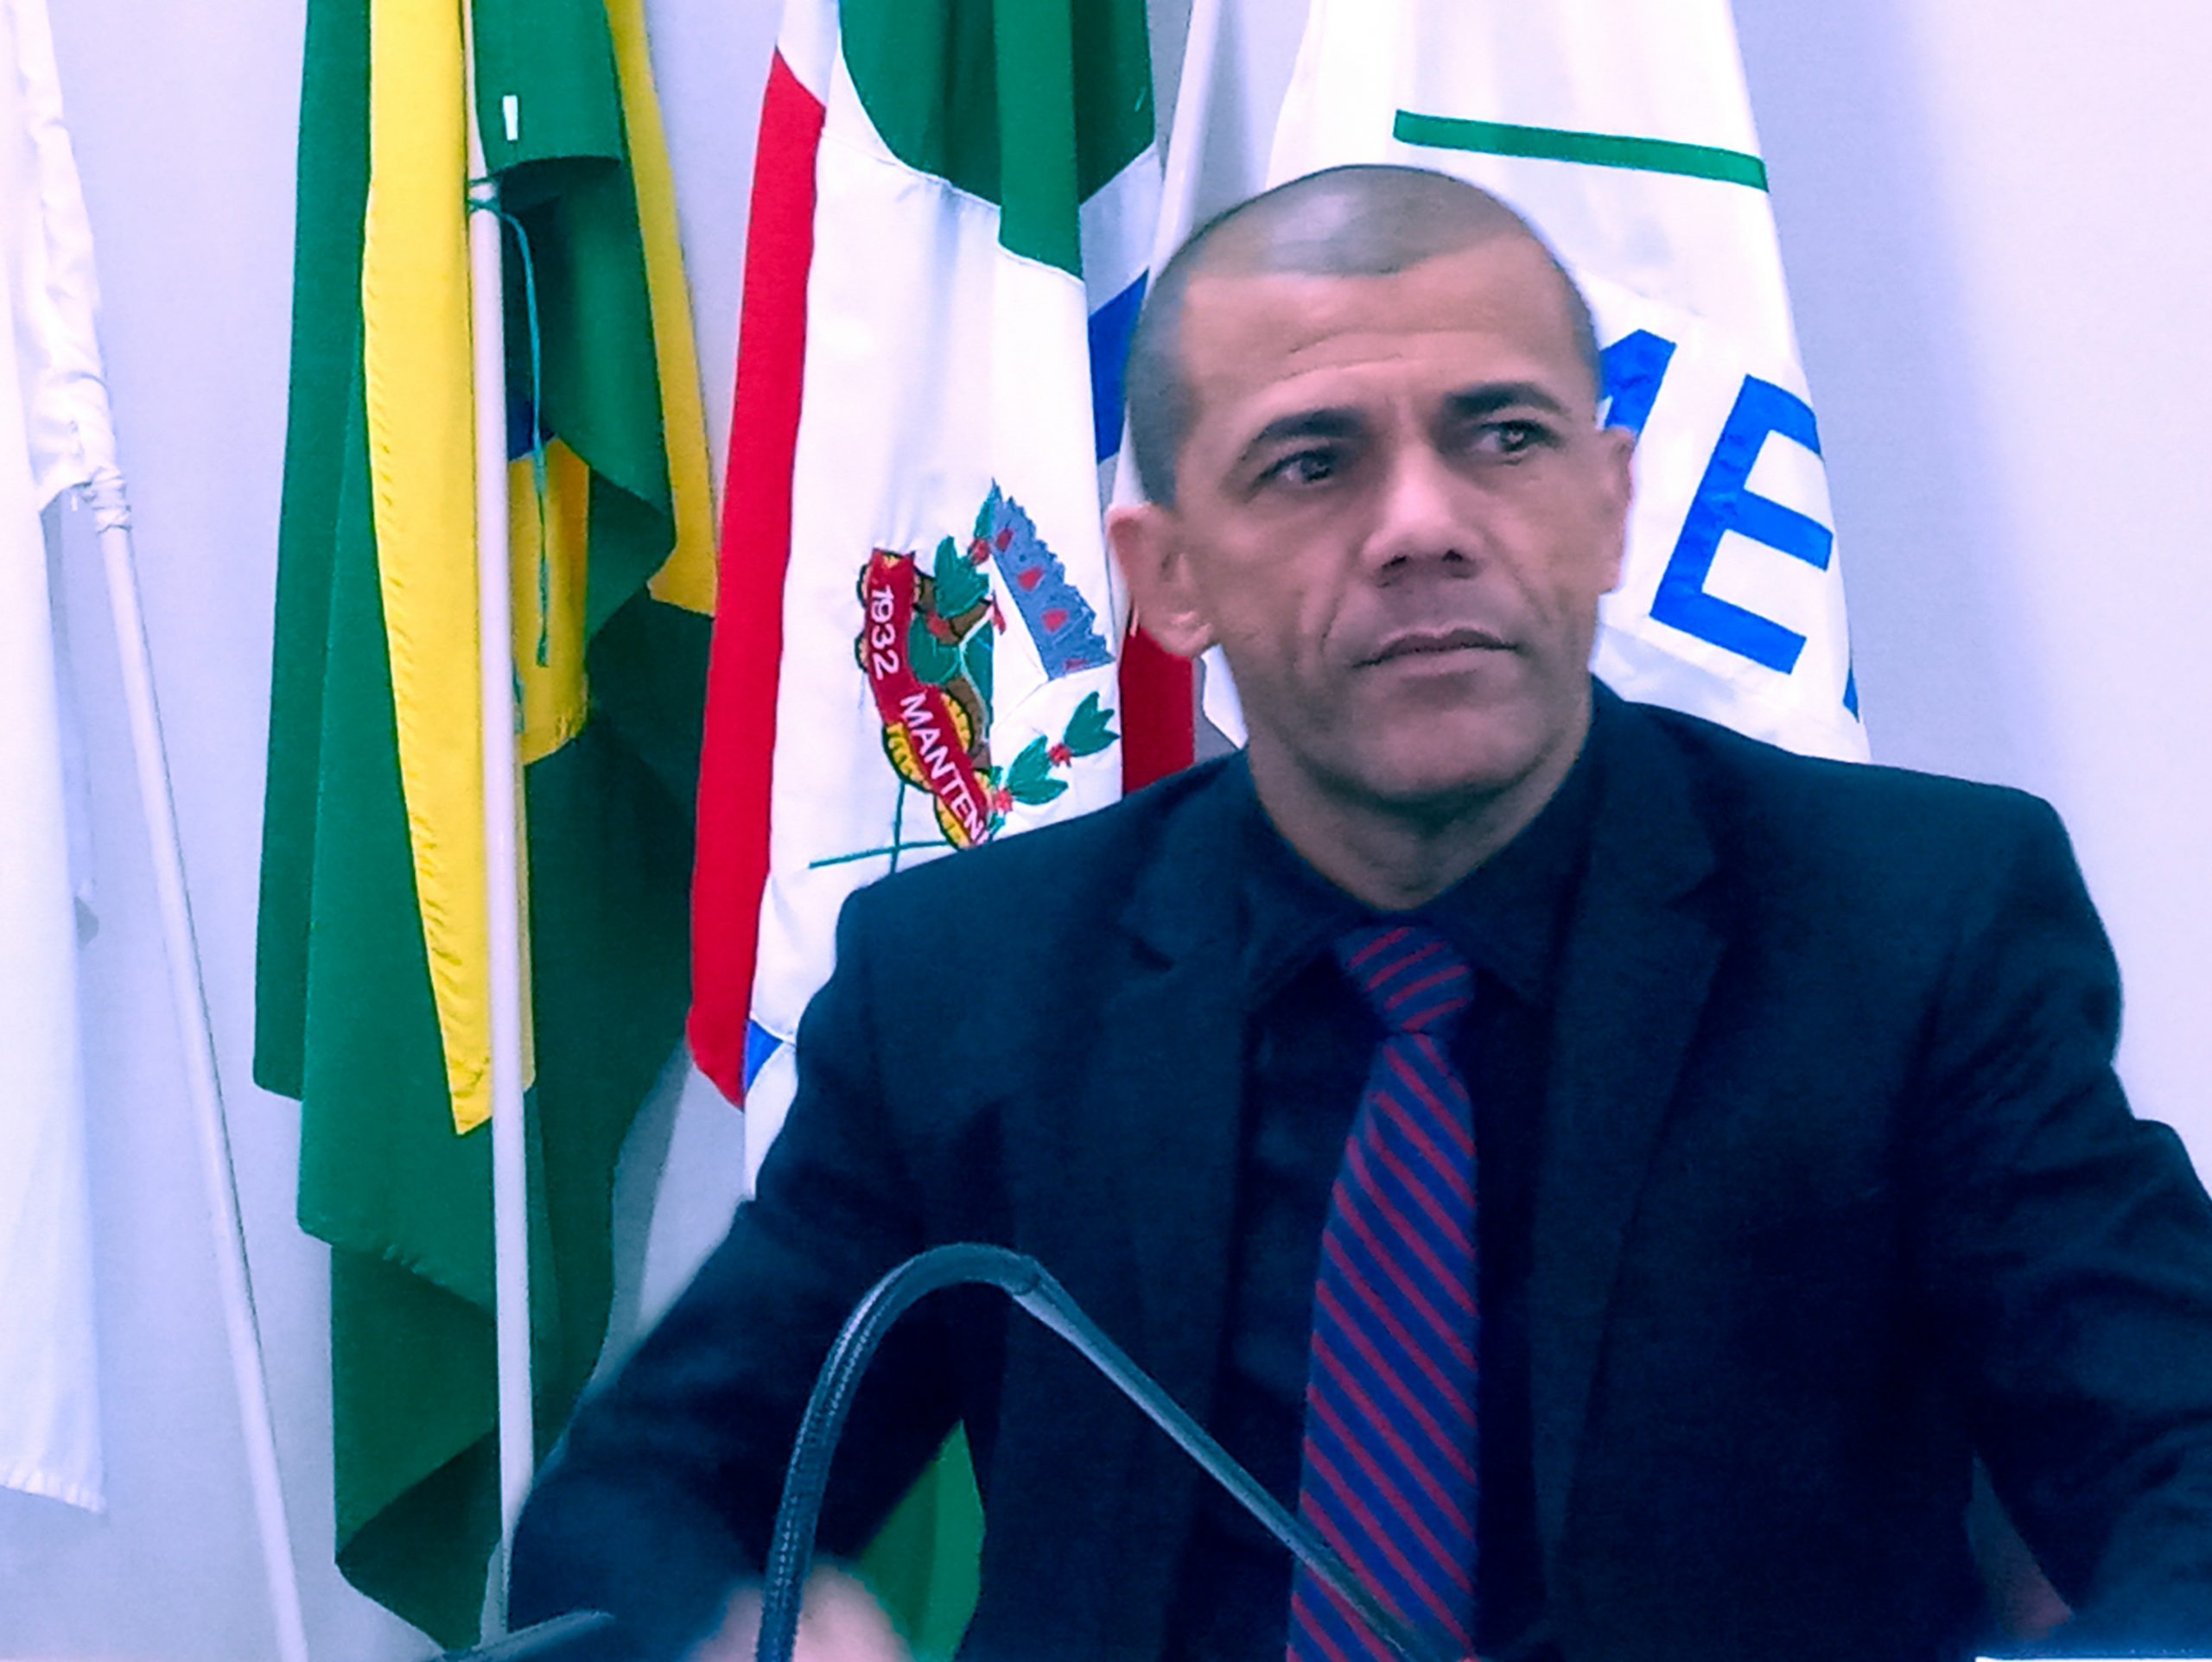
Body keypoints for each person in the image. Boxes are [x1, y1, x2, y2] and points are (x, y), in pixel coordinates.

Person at [508, 165, 2212, 1662]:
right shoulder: (968, 980)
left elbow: (2178, 1461)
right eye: (1311, 463)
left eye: (1504, 437)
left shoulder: (1909, 922)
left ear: (1608, 505)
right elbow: (638, 1502)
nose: (1422, 527)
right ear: (1167, 576)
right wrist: (734, 1621)